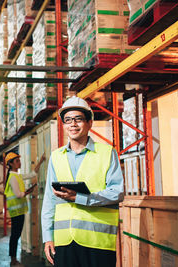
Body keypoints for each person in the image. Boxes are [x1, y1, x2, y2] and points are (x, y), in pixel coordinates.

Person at [41, 96, 124, 267]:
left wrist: (80, 197)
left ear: (89, 123)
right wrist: (48, 237)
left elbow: (117, 192)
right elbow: (49, 199)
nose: (73, 124)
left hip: (97, 242)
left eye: (78, 119)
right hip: (64, 242)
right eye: (68, 120)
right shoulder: (56, 157)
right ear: (63, 125)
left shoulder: (107, 152)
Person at [4, 151, 45, 266]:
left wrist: (41, 161)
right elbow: (18, 194)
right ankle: (13, 260)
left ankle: (13, 259)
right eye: (17, 161)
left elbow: (32, 174)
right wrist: (28, 191)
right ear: (11, 164)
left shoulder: (17, 175)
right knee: (15, 235)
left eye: (19, 160)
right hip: (16, 211)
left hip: (19, 211)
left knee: (15, 235)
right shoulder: (13, 177)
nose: (19, 162)